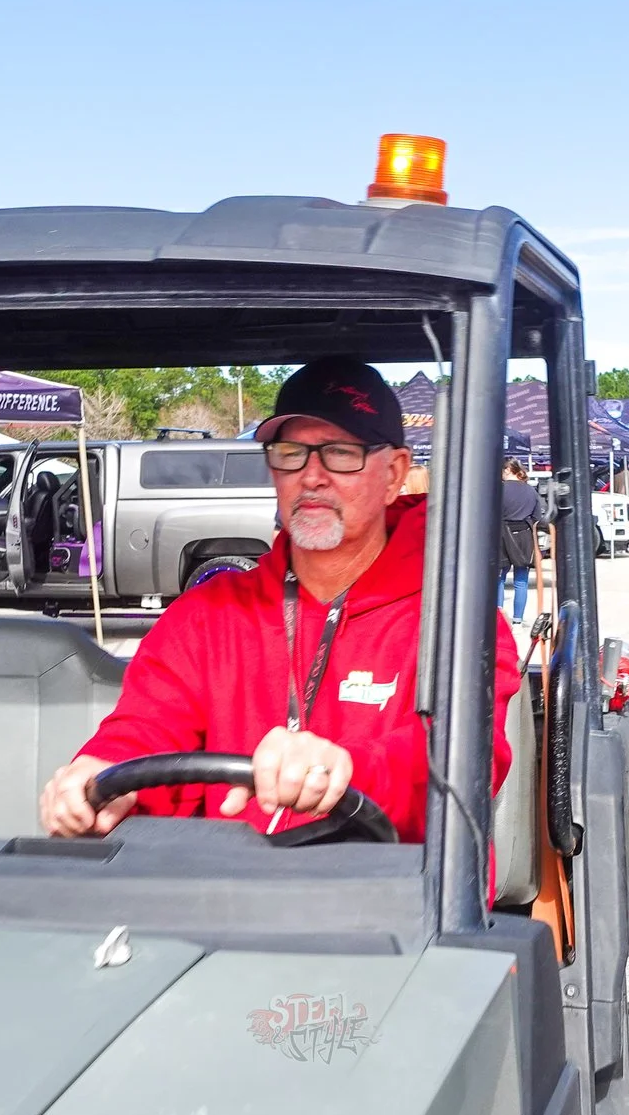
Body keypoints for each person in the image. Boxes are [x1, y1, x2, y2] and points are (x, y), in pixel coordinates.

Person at [40, 358, 518, 842]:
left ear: (394, 473)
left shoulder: (455, 619)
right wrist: (101, 773)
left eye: (340, 452)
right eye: (290, 452)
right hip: (223, 894)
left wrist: (345, 767)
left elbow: (465, 759)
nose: (311, 475)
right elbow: (147, 725)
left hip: (389, 896)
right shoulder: (207, 614)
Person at [499, 459, 541, 622]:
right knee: (521, 580)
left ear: (508, 470)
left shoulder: (499, 490)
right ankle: (518, 619)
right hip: (524, 535)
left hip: (501, 535)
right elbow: (538, 516)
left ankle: (500, 617)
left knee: (499, 578)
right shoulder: (531, 491)